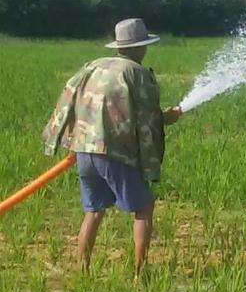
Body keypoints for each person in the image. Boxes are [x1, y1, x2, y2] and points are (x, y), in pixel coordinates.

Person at [43, 18, 182, 278]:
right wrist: (166, 118)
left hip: (84, 150)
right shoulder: (136, 73)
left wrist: (64, 138)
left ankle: (82, 271)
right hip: (115, 152)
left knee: (93, 211)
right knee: (143, 208)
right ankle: (140, 273)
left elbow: (68, 99)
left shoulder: (93, 66)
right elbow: (146, 117)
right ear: (141, 47)